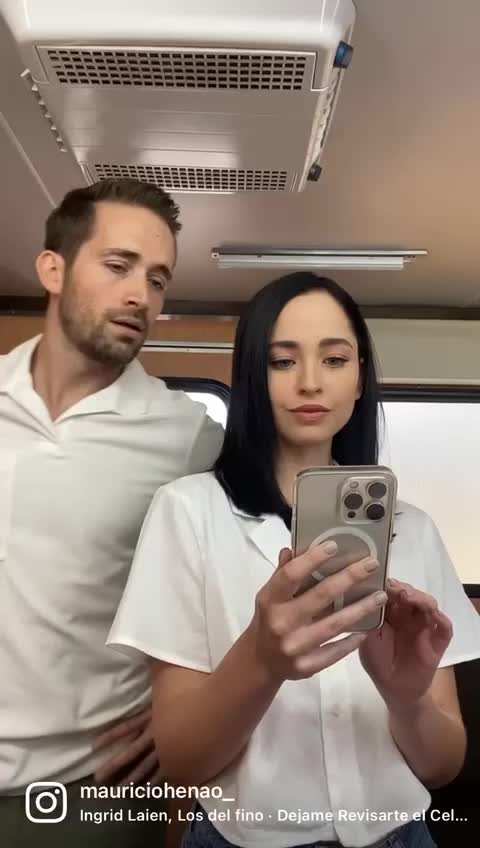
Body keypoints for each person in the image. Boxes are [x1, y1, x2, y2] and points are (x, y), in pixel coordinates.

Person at [108, 271, 480, 848]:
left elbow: (441, 767)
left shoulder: (414, 530)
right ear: (251, 377)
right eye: (282, 361)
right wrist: (262, 661)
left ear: (360, 377)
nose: (310, 381)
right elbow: (181, 762)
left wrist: (406, 700)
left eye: (334, 360)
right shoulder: (187, 512)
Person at [0, 178, 224, 846]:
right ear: (53, 269)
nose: (140, 296)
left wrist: (188, 712)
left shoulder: (188, 437)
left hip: (87, 795)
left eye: (157, 279)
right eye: (119, 266)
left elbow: (251, 584)